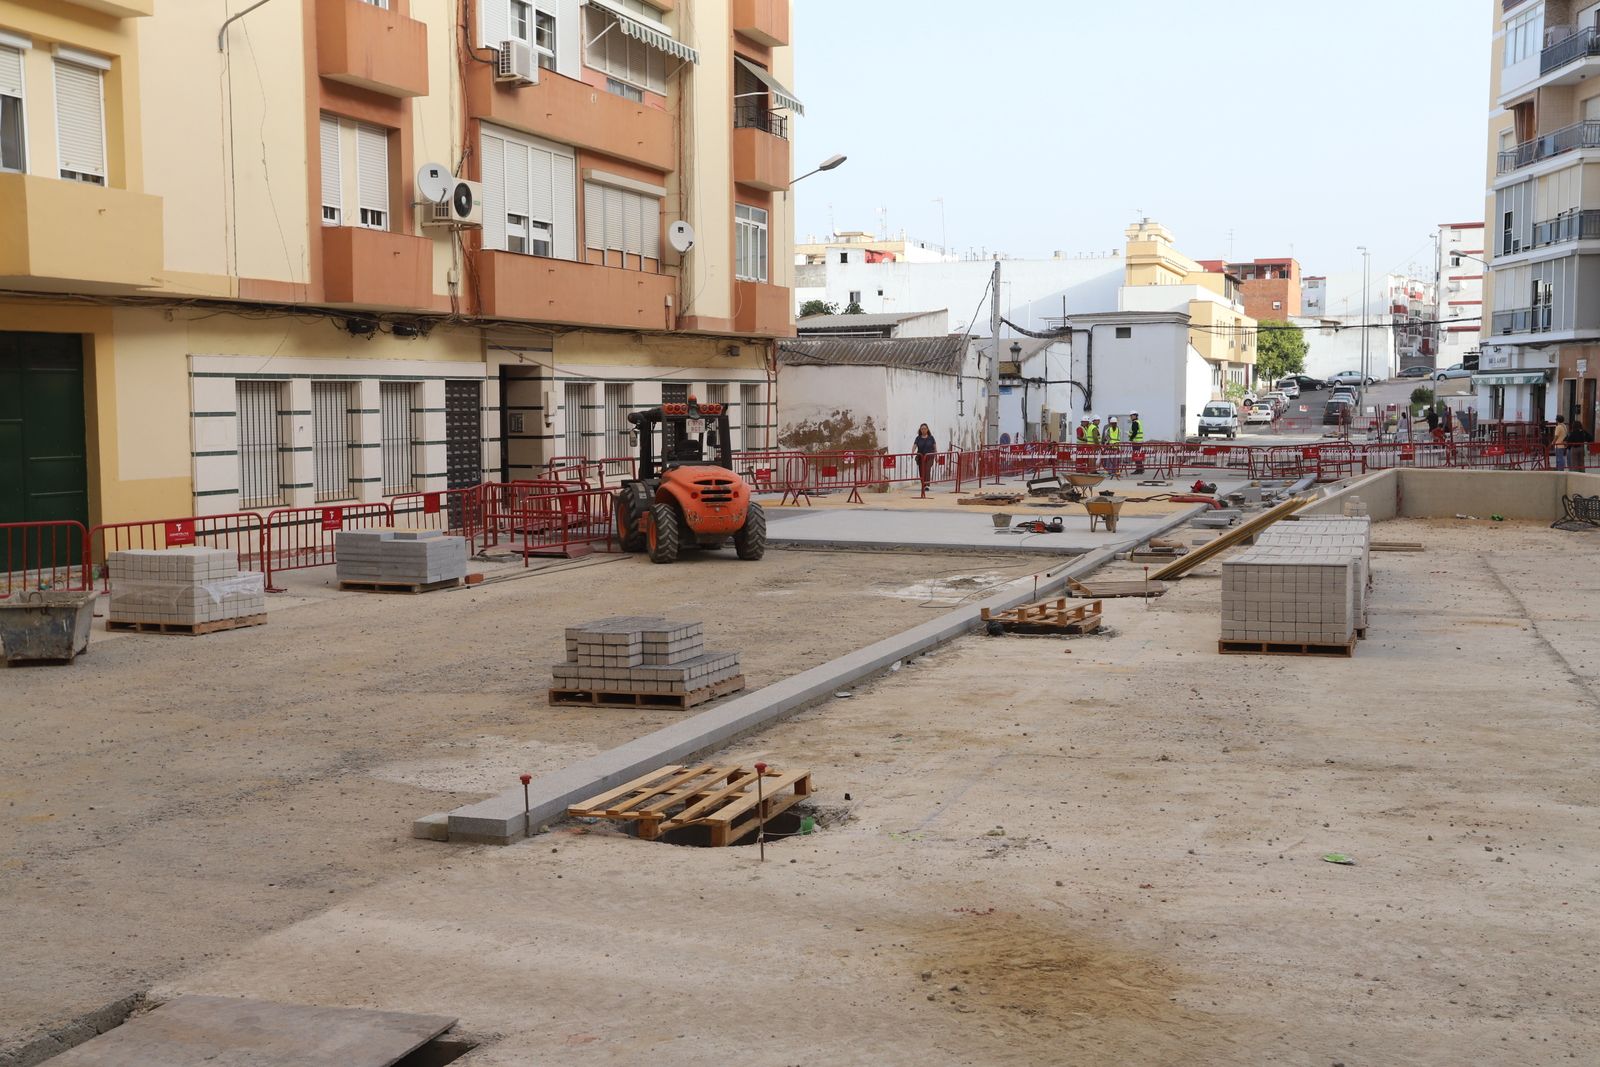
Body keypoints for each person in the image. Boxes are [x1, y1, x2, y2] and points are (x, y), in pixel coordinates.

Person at [913, 423, 937, 490]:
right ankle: (923, 484)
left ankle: (926, 485)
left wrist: (936, 456)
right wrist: (912, 452)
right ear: (920, 430)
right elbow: (915, 445)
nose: (923, 430)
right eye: (922, 429)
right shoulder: (918, 438)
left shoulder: (931, 438)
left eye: (925, 428)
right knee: (921, 470)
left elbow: (934, 447)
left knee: (927, 469)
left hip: (929, 457)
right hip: (921, 457)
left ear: (927, 429)